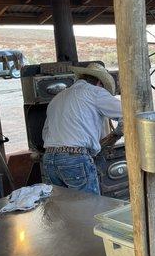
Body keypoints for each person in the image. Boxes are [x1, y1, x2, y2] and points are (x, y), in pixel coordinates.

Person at [42, 63, 122, 194]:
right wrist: (117, 133)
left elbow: (45, 133)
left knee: (63, 210)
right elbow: (128, 114)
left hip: (49, 160)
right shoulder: (96, 92)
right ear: (99, 83)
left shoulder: (57, 98)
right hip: (74, 158)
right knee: (89, 208)